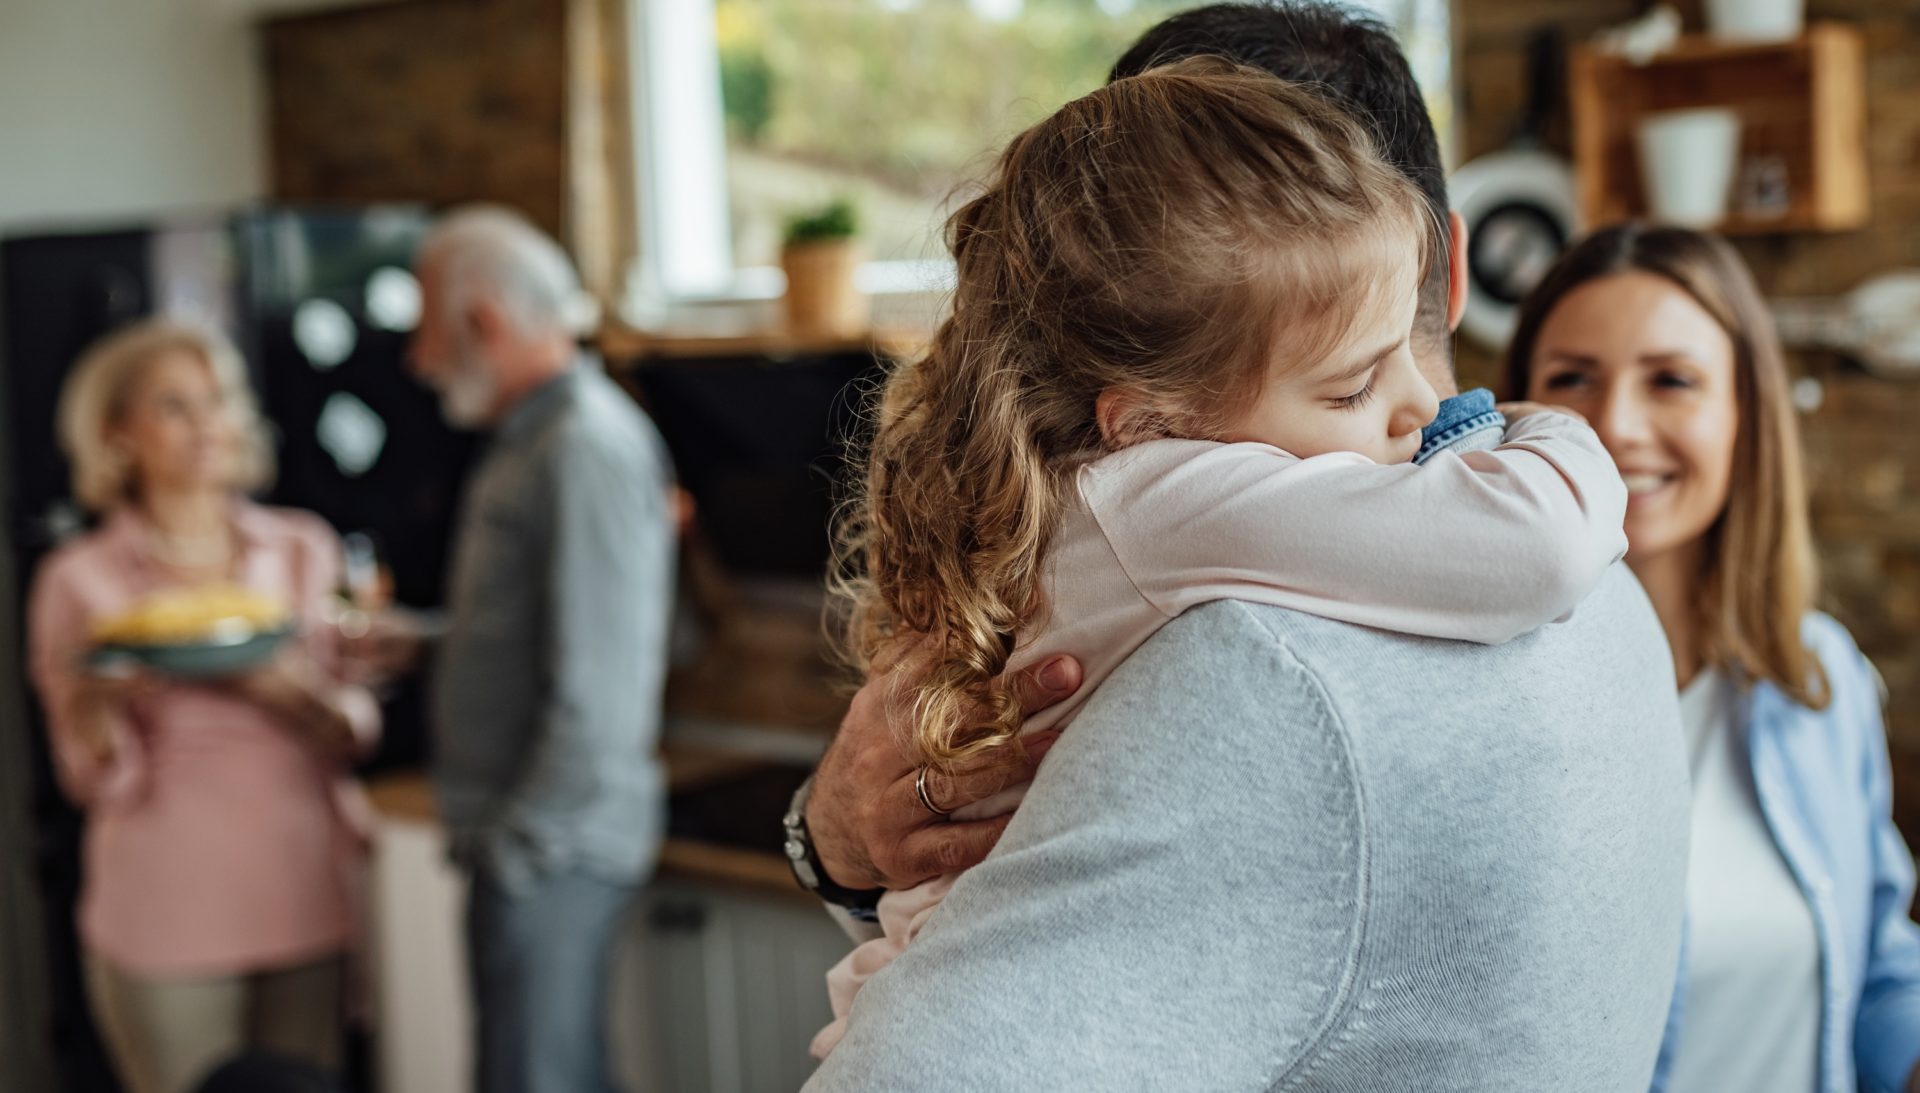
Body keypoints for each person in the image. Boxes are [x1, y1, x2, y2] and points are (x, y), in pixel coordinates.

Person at [792, 4, 1690, 1088]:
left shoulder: (1263, 674)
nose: (1399, 409)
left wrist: (830, 844)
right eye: (1353, 383)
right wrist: (1538, 428)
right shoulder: (1616, 605)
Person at [1505, 222, 1920, 1093]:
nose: (1614, 423)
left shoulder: (1820, 677)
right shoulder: (1487, 705)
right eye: (1570, 379)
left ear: (1745, 416)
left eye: (1673, 381)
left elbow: (1880, 965)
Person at [26, 319, 381, 1093]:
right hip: (166, 907)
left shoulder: (300, 549)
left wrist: (297, 694)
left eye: (215, 402)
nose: (204, 426)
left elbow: (357, 728)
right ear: (118, 433)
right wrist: (95, 709)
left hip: (302, 887)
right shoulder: (78, 579)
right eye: (174, 407)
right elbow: (88, 779)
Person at [375, 206, 677, 1093]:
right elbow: (538, 636)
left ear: (482, 323)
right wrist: (423, 644)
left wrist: (520, 844)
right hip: (536, 833)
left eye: (424, 328)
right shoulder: (534, 436)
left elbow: (601, 691)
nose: (415, 358)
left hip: (553, 842)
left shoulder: (583, 445)